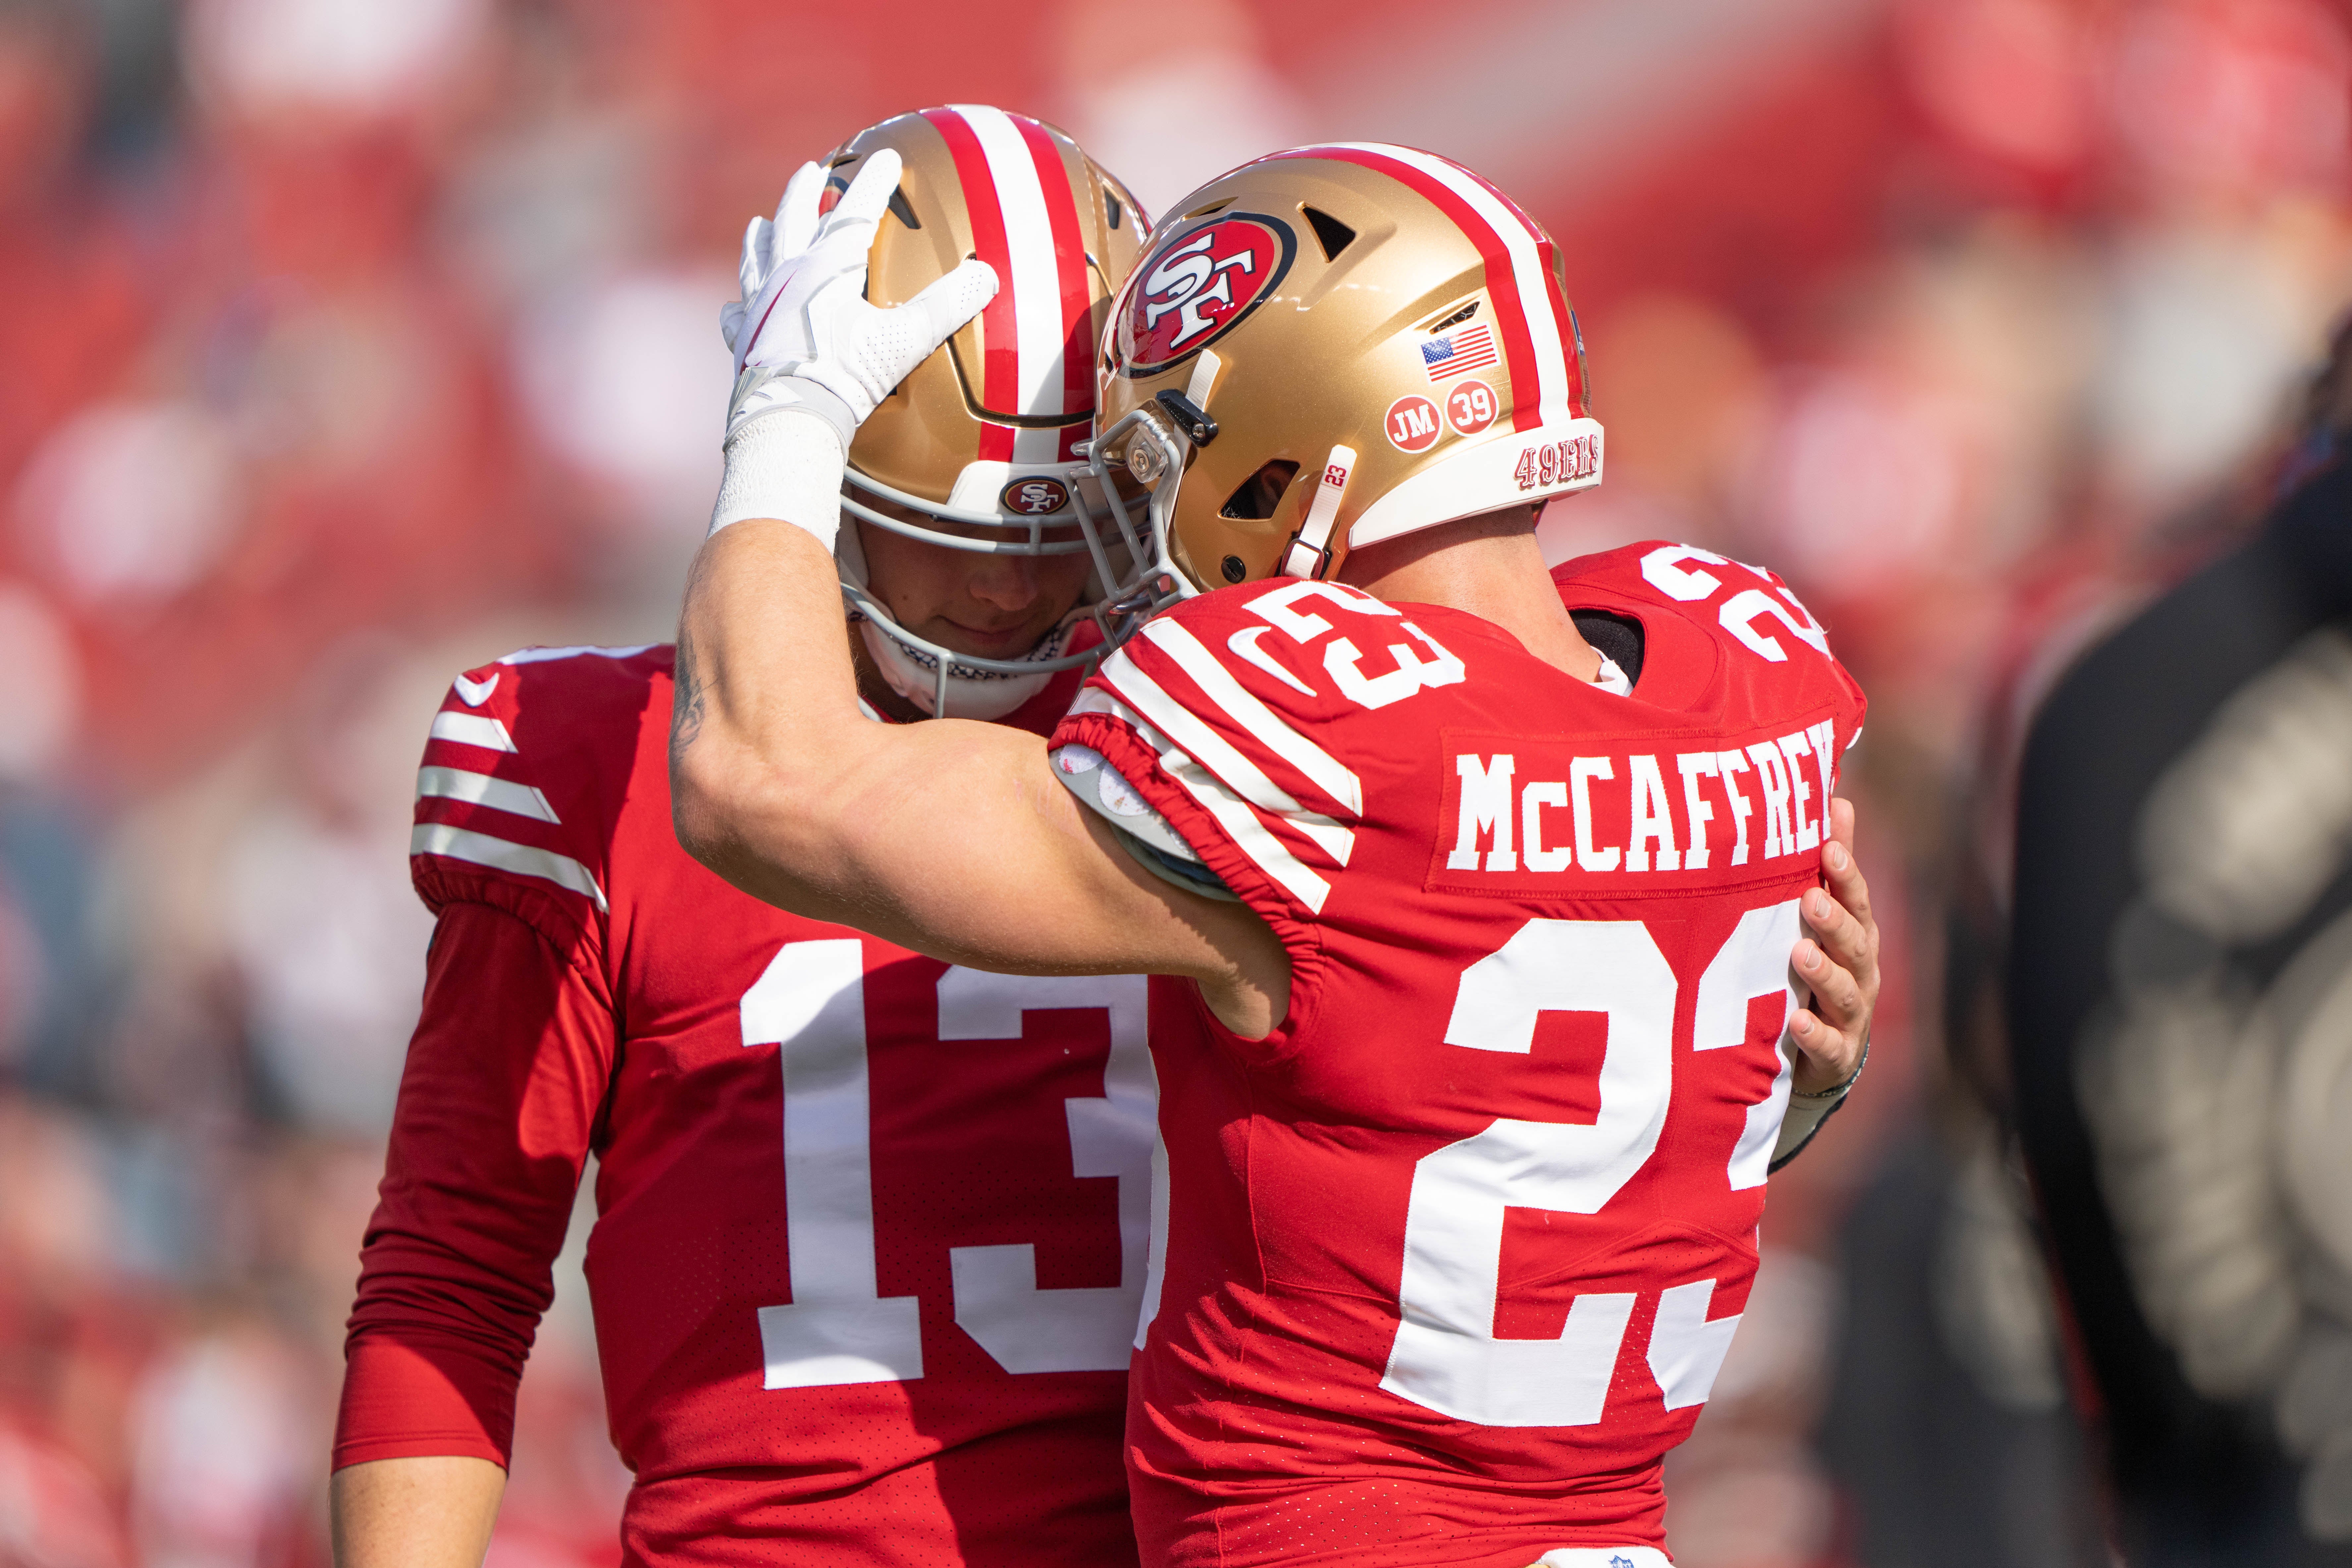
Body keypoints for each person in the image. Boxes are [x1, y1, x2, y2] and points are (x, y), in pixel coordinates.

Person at [669, 141, 1882, 1567]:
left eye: (1163, 444)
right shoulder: (1734, 670)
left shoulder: (1319, 734)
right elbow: (1583, 1129)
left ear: (1309, 436)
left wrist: (791, 412)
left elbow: (758, 777)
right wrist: (1797, 1077)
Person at [330, 108, 1165, 1568]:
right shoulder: (590, 762)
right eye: (962, 539)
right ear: (822, 468)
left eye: (1055, 539)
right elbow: (452, 1272)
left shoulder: (1211, 736)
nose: (1010, 598)